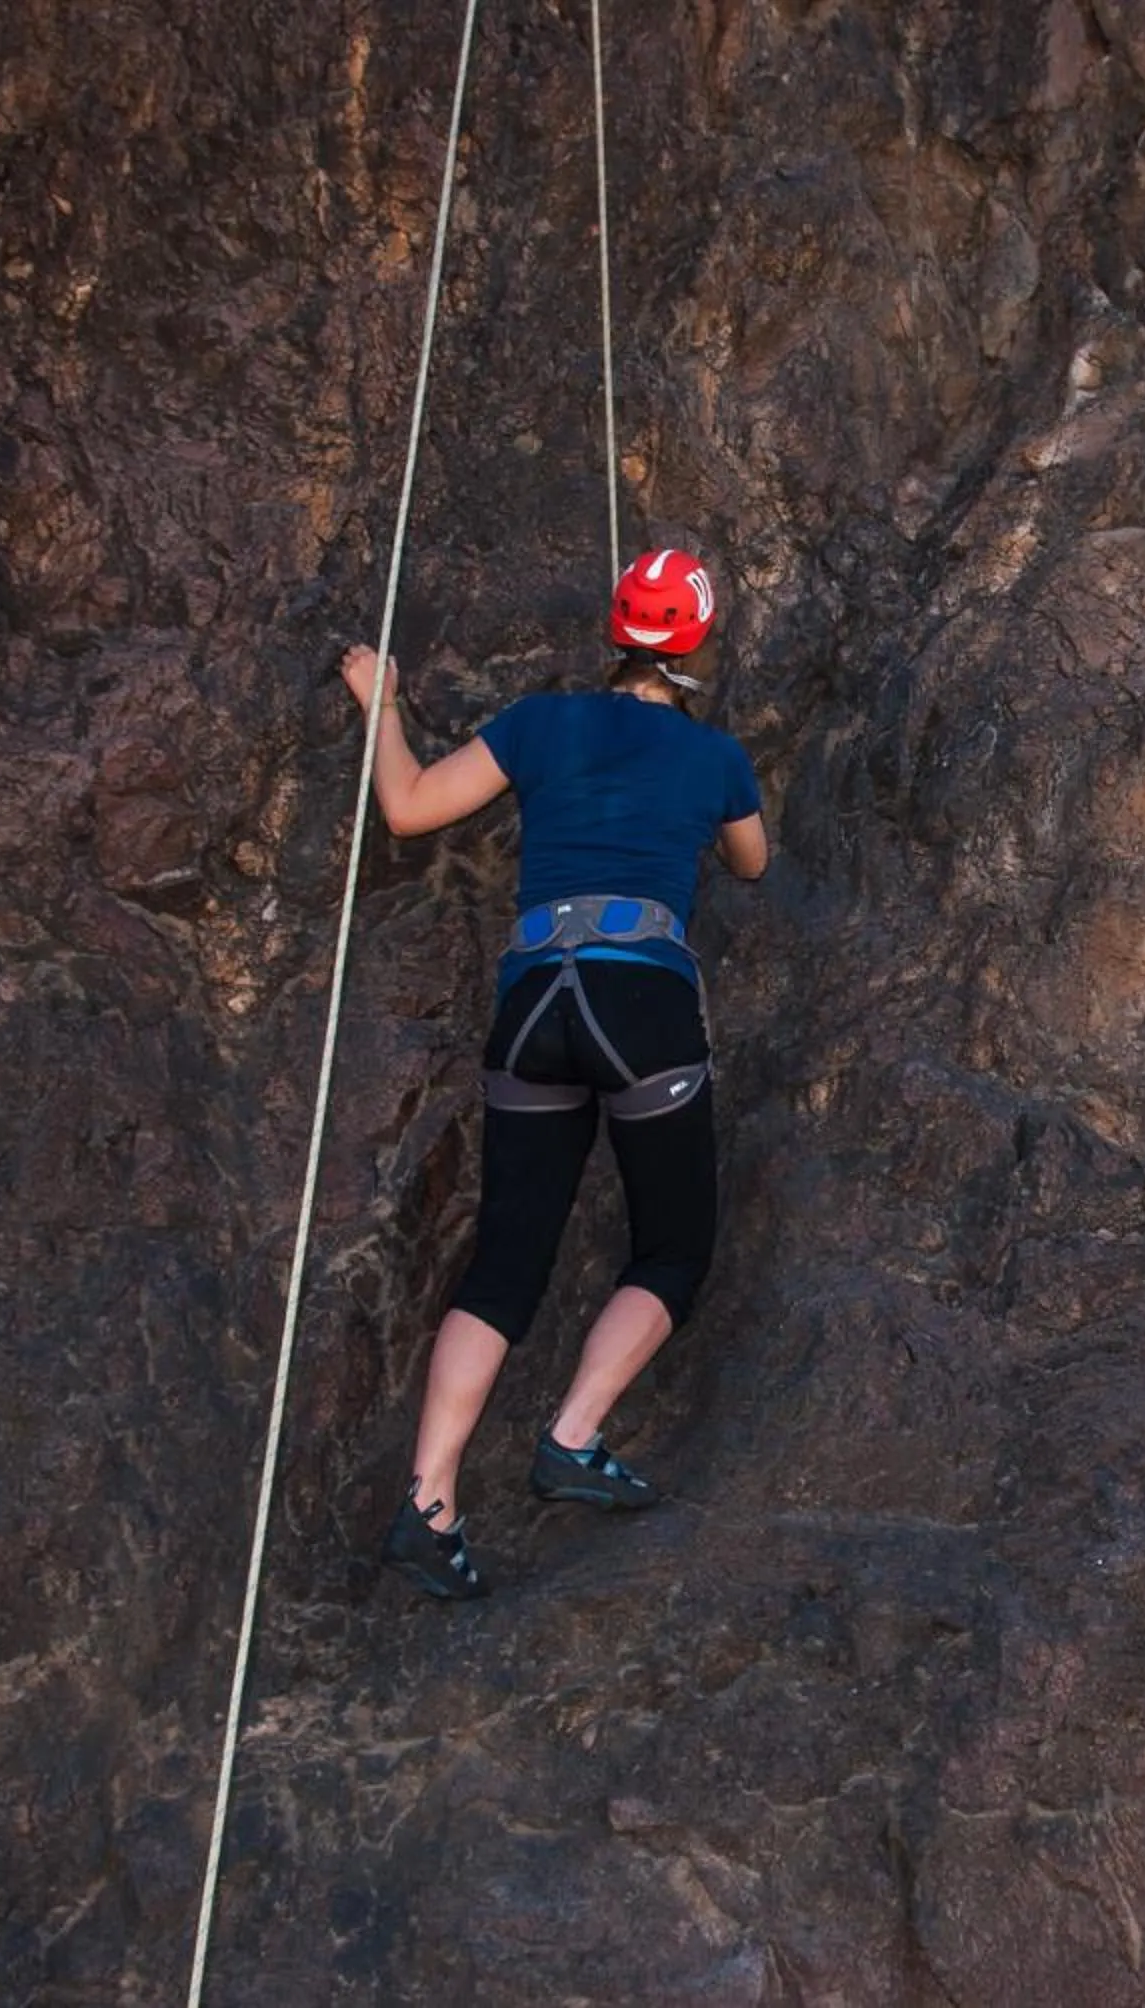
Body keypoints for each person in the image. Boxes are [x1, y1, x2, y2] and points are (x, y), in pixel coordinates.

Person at [343, 548, 767, 1601]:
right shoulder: (715, 757)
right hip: (643, 1008)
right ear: (699, 642)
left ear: (614, 626)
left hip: (535, 999)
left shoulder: (539, 723)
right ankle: (571, 1436)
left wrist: (381, 703)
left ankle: (430, 1503)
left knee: (508, 1256)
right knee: (674, 1243)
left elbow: (405, 805)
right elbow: (754, 861)